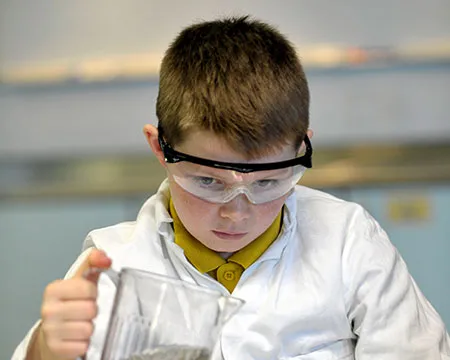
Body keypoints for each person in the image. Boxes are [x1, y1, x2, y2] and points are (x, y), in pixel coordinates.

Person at [13, 16, 450, 360]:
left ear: (303, 149)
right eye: (208, 182)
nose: (237, 212)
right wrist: (47, 351)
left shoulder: (348, 242)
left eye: (269, 182)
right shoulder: (112, 268)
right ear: (160, 149)